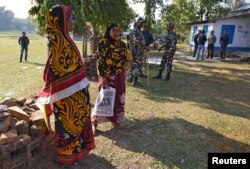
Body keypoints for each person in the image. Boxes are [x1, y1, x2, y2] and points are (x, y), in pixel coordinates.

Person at [36, 5, 95, 165]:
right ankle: (66, 156)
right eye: (70, 19)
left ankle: (76, 152)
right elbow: (55, 70)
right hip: (65, 96)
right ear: (61, 22)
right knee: (67, 124)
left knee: (76, 122)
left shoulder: (66, 39)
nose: (73, 22)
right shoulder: (57, 43)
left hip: (75, 92)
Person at [92, 23, 132, 133]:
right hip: (107, 76)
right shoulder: (103, 43)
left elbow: (129, 57)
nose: (116, 33)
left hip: (119, 76)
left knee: (117, 98)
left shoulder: (122, 45)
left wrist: (124, 70)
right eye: (114, 30)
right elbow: (100, 61)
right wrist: (103, 77)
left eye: (118, 31)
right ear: (109, 31)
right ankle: (94, 123)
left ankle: (114, 120)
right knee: (103, 98)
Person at [128, 17, 146, 86]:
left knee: (134, 66)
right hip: (136, 52)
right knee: (137, 66)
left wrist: (145, 46)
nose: (142, 24)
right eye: (141, 23)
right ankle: (135, 81)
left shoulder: (139, 31)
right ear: (137, 22)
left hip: (138, 51)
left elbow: (141, 41)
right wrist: (144, 47)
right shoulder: (135, 31)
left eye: (143, 23)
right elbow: (136, 42)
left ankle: (131, 79)